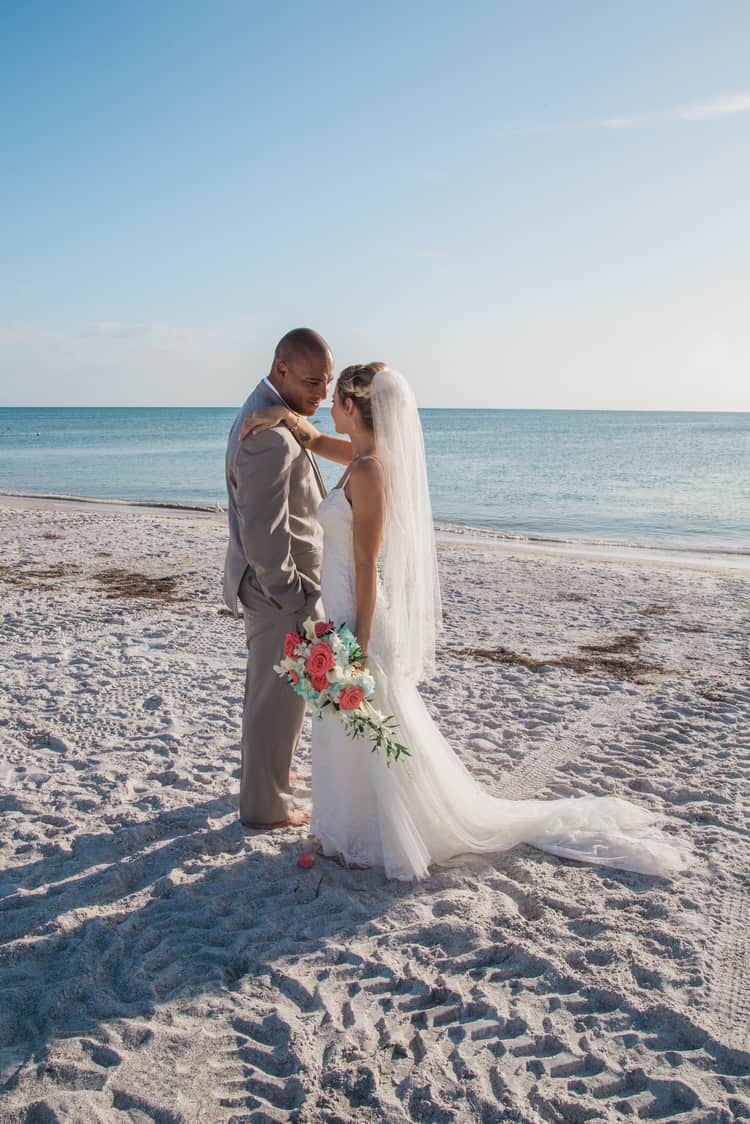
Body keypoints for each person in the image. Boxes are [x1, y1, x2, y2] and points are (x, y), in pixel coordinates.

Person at [241, 365, 689, 879]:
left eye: (334, 396)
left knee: (368, 719)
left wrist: (358, 640)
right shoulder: (361, 458)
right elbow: (316, 439)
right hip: (339, 610)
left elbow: (368, 565)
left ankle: (369, 832)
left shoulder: (370, 470)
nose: (328, 405)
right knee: (351, 724)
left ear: (350, 406)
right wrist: (282, 415)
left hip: (356, 613)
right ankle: (346, 827)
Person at [223, 328, 333, 829]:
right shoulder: (266, 435)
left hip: (279, 589)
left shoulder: (276, 413)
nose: (322, 395)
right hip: (277, 593)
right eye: (313, 382)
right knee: (275, 705)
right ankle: (266, 807)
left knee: (276, 698)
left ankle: (268, 787)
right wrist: (291, 594)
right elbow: (263, 530)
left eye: (327, 383)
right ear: (281, 369)